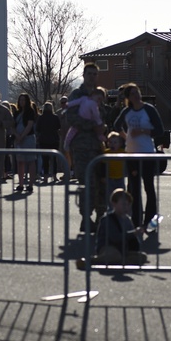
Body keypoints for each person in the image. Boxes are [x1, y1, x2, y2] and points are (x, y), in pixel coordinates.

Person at [111, 82, 165, 230]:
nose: (137, 95)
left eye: (138, 92)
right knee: (134, 189)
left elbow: (160, 130)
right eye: (133, 93)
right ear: (128, 97)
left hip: (147, 152)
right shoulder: (127, 111)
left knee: (149, 187)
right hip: (131, 154)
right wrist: (126, 136)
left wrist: (143, 131)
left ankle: (150, 221)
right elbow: (116, 125)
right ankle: (135, 222)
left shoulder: (148, 109)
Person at [66, 64, 107, 231]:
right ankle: (86, 217)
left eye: (95, 74)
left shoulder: (99, 94)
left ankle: (101, 216)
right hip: (82, 147)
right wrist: (92, 125)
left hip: (98, 147)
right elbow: (71, 117)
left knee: (101, 182)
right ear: (83, 75)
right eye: (89, 73)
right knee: (86, 183)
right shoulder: (77, 95)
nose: (92, 76)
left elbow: (104, 116)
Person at [75, 189, 148, 269]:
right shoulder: (107, 219)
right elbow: (114, 237)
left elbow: (132, 239)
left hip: (122, 248)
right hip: (108, 247)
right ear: (114, 204)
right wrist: (133, 233)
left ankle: (121, 261)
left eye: (128, 205)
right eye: (123, 204)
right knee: (115, 256)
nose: (126, 207)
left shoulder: (127, 219)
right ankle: (92, 260)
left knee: (142, 256)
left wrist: (138, 233)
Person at [13, 93, 38, 193]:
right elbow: (12, 125)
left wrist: (22, 136)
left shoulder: (30, 112)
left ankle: (30, 184)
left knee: (31, 161)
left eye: (24, 100)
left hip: (28, 138)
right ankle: (21, 184)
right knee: (20, 161)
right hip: (18, 139)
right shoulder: (16, 112)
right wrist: (16, 135)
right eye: (20, 100)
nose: (22, 102)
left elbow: (30, 125)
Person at [35, 101, 62, 182]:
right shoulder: (55, 117)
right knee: (54, 159)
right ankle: (54, 175)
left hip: (43, 140)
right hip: (54, 139)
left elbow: (37, 129)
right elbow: (58, 127)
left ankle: (46, 176)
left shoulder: (41, 118)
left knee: (45, 159)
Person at [104, 132, 126, 199]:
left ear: (120, 144)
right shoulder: (106, 152)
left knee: (121, 195)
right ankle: (111, 209)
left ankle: (121, 208)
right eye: (110, 142)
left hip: (120, 178)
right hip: (109, 178)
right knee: (110, 196)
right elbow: (102, 165)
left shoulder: (123, 152)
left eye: (115, 142)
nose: (112, 144)